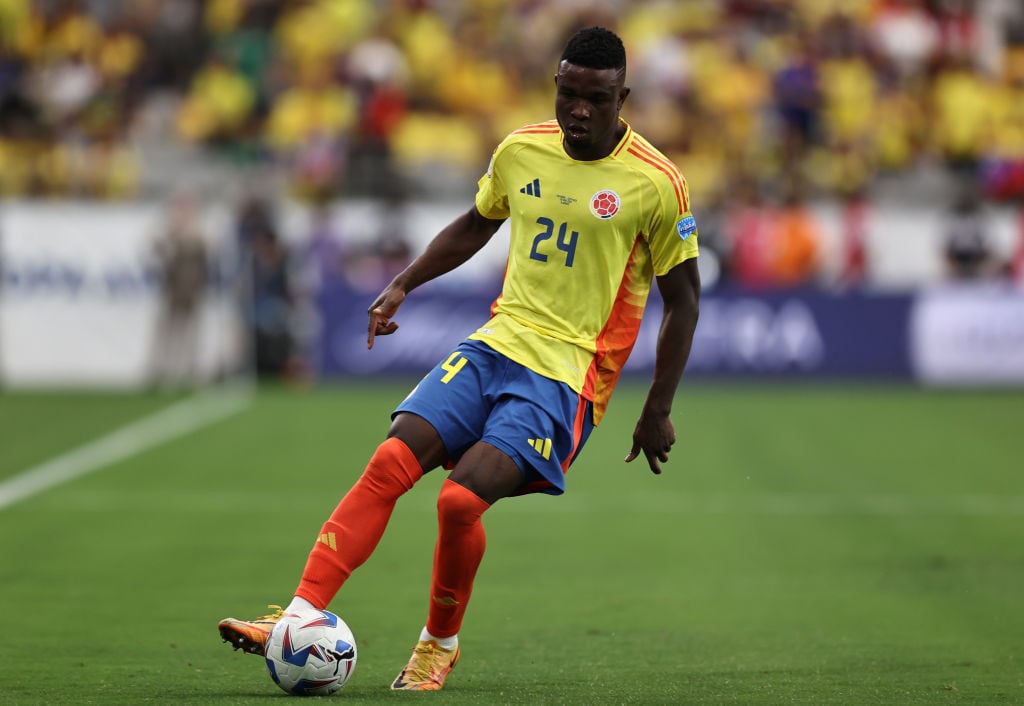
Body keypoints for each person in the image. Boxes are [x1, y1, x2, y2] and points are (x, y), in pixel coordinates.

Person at [218, 26, 701, 692]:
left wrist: (657, 409)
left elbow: (684, 301)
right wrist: (402, 283)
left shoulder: (657, 182)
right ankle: (298, 617)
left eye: (596, 98)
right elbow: (477, 224)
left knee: (457, 503)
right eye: (568, 94)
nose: (579, 111)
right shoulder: (522, 150)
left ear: (623, 97)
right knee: (388, 462)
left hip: (568, 375)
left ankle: (437, 645)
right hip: (496, 343)